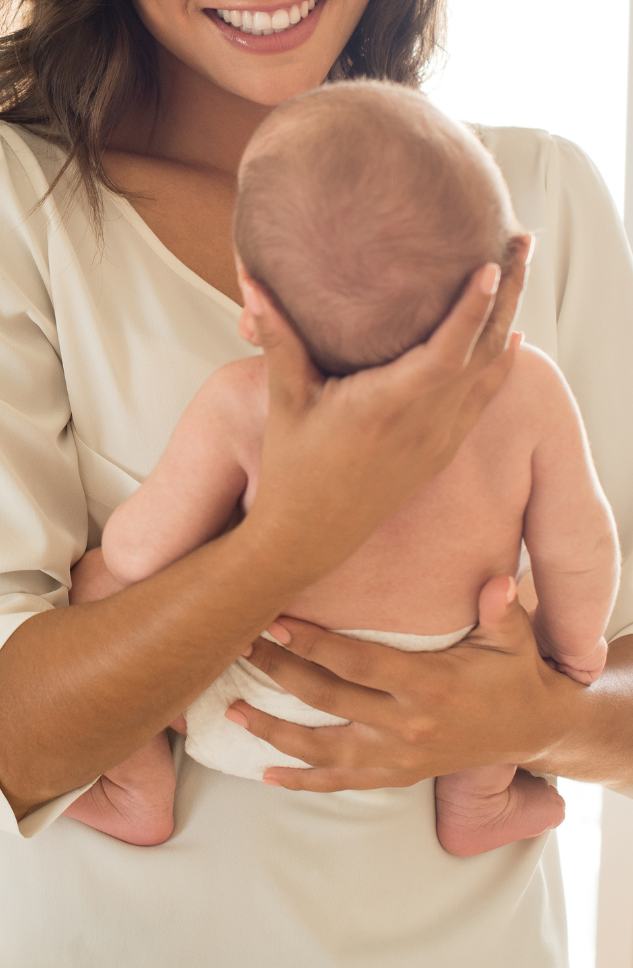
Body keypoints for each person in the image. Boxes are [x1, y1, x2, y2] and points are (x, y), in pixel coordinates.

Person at [0, 0, 633, 963]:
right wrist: (291, 534)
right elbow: (7, 733)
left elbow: (616, 653)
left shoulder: (538, 204)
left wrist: (522, 720)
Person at [64, 81, 620, 857]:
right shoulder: (525, 393)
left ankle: (137, 789)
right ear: (504, 269)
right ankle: (479, 803)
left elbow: (137, 555)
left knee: (95, 588)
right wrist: (568, 660)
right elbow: (582, 547)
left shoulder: (241, 404)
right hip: (451, 704)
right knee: (509, 623)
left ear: (253, 304)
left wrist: (124, 559)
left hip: (249, 709)